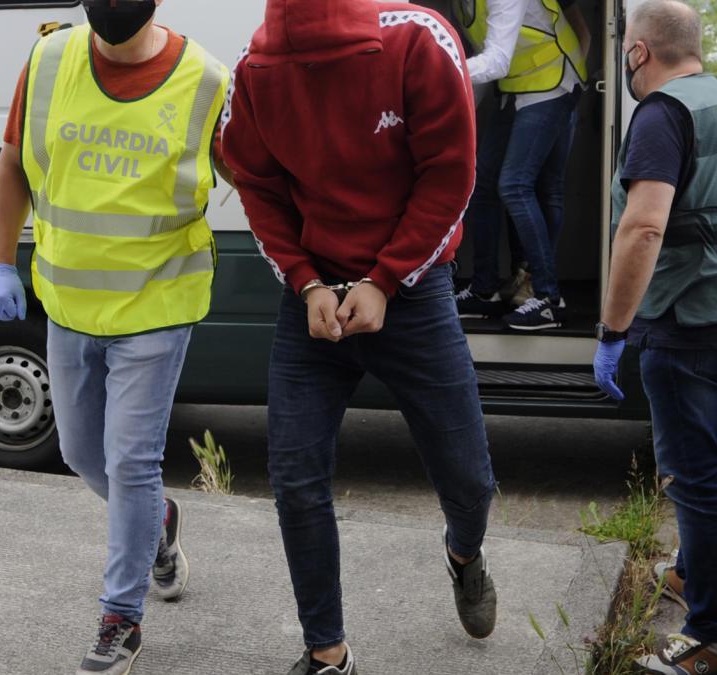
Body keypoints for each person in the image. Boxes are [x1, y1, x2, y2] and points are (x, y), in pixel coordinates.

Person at [222, 1, 499, 672]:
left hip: (414, 290)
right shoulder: (256, 73)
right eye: (300, 61)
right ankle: (327, 651)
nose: (314, 73)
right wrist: (306, 281)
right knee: (294, 475)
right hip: (314, 297)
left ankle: (463, 551)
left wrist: (385, 277)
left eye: (330, 60)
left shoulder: (421, 41)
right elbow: (256, 185)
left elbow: (451, 174)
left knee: (469, 479)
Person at [0, 1, 230, 673]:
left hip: (157, 306)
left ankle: (121, 620)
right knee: (82, 454)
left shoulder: (207, 81)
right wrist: (1, 263)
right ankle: (157, 526)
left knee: (130, 462)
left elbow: (260, 181)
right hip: (69, 308)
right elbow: (13, 164)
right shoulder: (49, 59)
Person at [593, 1, 717, 673]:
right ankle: (690, 572)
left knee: (695, 475)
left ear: (639, 52)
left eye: (627, 52)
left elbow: (643, 227)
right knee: (703, 453)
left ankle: (713, 637)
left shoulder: (662, 113)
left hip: (695, 321)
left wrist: (614, 329)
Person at [451, 0, 591, 330]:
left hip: (554, 81)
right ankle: (484, 291)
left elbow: (496, 61)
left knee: (514, 185)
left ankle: (548, 299)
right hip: (515, 86)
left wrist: (437, 67)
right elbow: (486, 53)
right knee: (481, 181)